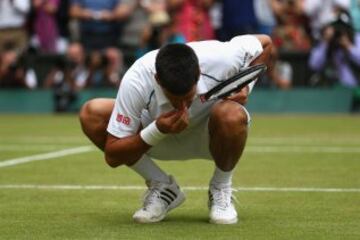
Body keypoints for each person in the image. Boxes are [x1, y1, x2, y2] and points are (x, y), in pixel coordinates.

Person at [79, 34, 273, 224]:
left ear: (198, 73)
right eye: (174, 98)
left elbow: (265, 43)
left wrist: (246, 87)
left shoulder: (222, 57)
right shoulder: (137, 78)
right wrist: (157, 130)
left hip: (211, 137)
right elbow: (113, 156)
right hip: (157, 137)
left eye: (187, 97)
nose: (182, 105)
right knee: (92, 113)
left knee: (232, 115)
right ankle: (163, 187)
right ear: (158, 79)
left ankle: (220, 188)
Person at [309, 10, 360, 87]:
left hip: (355, 90)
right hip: (333, 91)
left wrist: (349, 47)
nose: (339, 30)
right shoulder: (327, 42)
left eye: (342, 27)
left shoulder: (356, 38)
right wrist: (325, 42)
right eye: (336, 27)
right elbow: (314, 65)